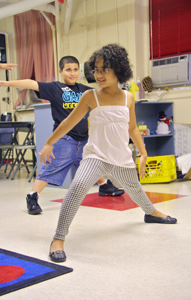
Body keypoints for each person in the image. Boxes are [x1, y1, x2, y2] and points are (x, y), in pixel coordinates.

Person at [38, 43, 177, 263]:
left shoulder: (128, 98)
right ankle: (58, 238)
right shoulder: (91, 96)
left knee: (135, 189)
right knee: (77, 189)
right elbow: (68, 122)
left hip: (121, 157)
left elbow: (132, 128)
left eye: (105, 69)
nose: (99, 74)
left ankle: (151, 212)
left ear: (119, 70)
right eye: (96, 69)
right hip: (96, 157)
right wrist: (48, 143)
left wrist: (143, 152)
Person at [0, 56, 124, 215]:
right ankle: (32, 196)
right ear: (61, 71)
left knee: (92, 163)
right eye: (68, 70)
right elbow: (31, 83)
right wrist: (8, 84)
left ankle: (103, 187)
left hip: (84, 138)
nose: (72, 73)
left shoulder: (85, 90)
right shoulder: (55, 88)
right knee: (51, 168)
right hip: (66, 138)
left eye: (75, 69)